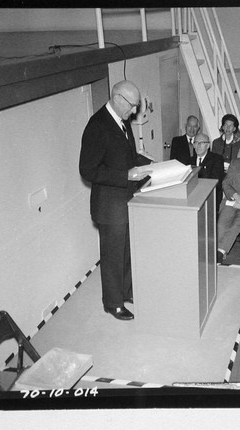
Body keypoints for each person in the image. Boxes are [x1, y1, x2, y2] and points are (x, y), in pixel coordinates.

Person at [79, 80, 152, 321]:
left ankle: (127, 292)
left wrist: (152, 165)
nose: (135, 112)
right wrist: (125, 175)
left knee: (128, 250)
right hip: (109, 206)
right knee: (112, 256)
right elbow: (87, 170)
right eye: (132, 106)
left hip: (126, 200)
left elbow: (128, 156)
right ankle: (113, 303)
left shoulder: (122, 121)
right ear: (118, 99)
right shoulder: (97, 125)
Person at [190, 133, 224, 212]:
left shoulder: (217, 159)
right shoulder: (189, 161)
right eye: (195, 142)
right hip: (192, 196)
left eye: (201, 143)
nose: (198, 145)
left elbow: (214, 182)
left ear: (208, 146)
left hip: (211, 196)